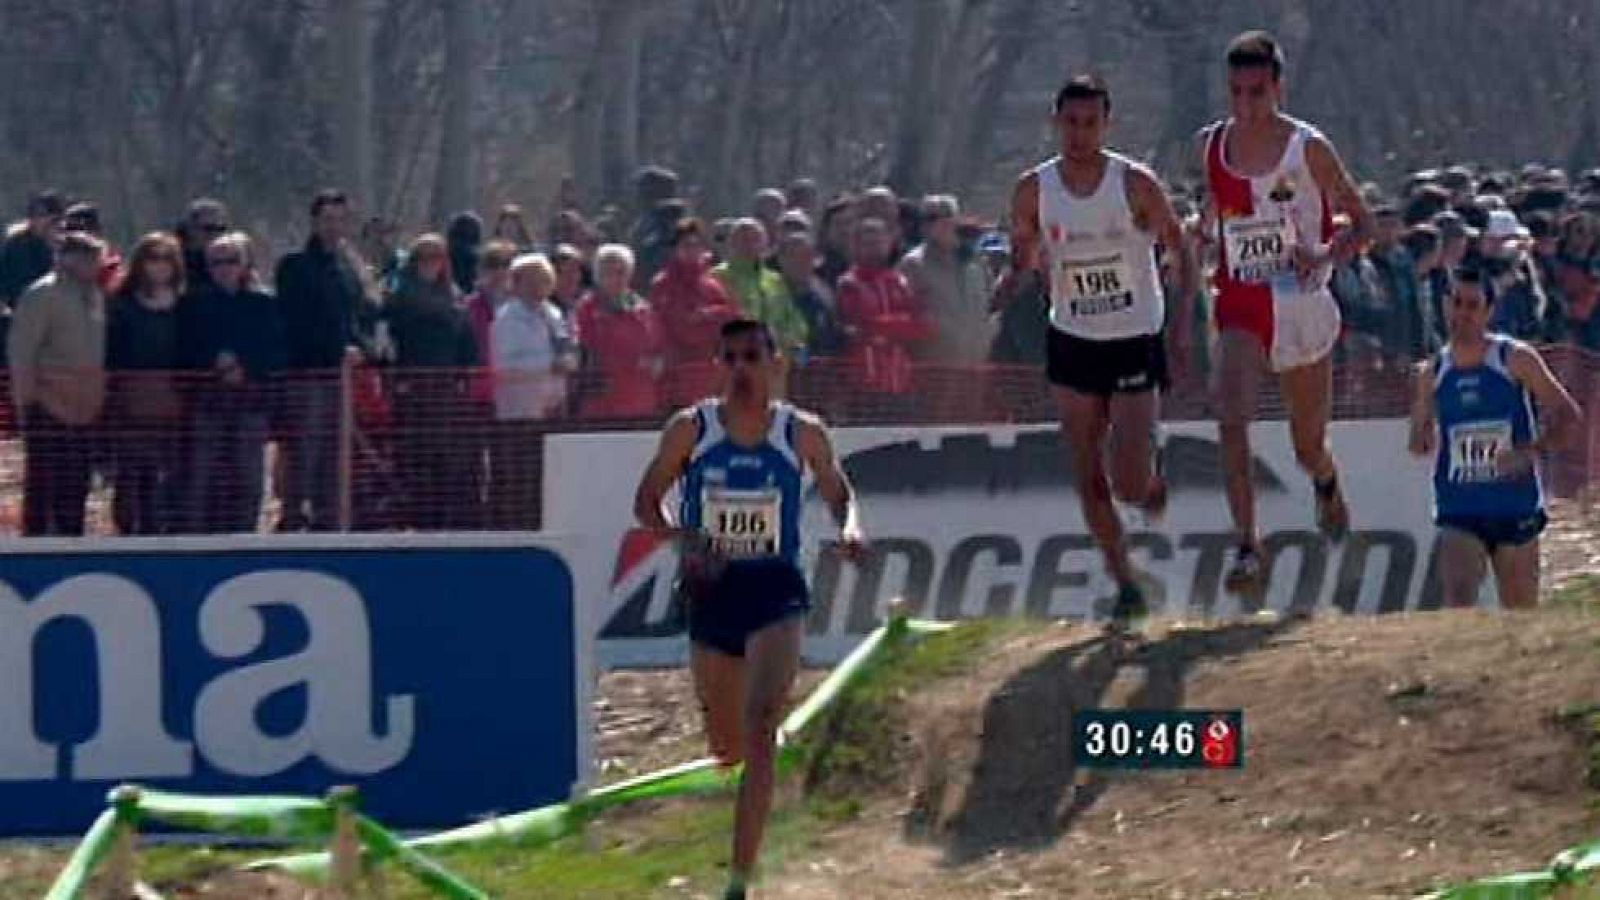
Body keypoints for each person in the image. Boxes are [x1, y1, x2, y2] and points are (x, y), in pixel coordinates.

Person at [631, 317, 865, 900]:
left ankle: (740, 881)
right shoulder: (692, 429)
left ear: (775, 363)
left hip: (774, 587)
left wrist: (854, 530)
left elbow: (840, 495)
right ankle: (758, 760)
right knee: (726, 748)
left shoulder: (801, 432)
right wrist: (685, 539)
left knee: (760, 727)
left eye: (751, 358)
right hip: (713, 592)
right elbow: (645, 501)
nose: (741, 370)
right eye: (730, 359)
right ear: (719, 366)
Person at [1005, 74, 1196, 619]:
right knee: (1087, 470)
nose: (1080, 134)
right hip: (1072, 337)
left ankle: (1151, 481)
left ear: (1106, 124)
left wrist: (1183, 324)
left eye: (1090, 123)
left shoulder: (1133, 183)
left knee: (1129, 481)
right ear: (1056, 122)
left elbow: (1179, 246)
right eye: (1071, 122)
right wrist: (1011, 277)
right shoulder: (1034, 189)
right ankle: (1125, 583)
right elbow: (1023, 245)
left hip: (1135, 335)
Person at [1197, 31, 1371, 591]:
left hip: (1300, 306)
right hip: (1241, 302)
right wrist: (1200, 238)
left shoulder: (1308, 147)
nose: (1245, 106)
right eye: (1236, 93)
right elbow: (1211, 212)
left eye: (1256, 93)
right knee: (1230, 414)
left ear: (1279, 88)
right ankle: (1248, 546)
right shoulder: (1210, 146)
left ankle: (1325, 481)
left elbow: (1360, 221)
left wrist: (1322, 251)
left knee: (1306, 445)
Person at [1407, 267, 1579, 608]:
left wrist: (1530, 451)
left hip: (1514, 504)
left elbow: (1569, 416)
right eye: (1457, 303)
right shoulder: (1432, 371)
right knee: (1458, 597)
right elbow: (1417, 441)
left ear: (1488, 312)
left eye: (1473, 305)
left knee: (1520, 615)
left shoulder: (1514, 359)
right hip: (1460, 505)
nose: (1463, 314)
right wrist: (1422, 435)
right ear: (1445, 307)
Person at [275, 188, 371, 531]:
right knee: (305, 450)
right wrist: (334, 350)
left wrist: (365, 348)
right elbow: (296, 322)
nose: (334, 227)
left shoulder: (348, 269)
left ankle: (329, 520)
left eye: (341, 220)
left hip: (341, 379)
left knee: (336, 452)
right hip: (307, 376)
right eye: (327, 219)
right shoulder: (295, 267)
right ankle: (292, 518)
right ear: (315, 222)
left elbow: (355, 319)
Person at [180, 232, 287, 533]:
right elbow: (183, 350)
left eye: (231, 260)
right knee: (201, 478)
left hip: (251, 403)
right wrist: (213, 363)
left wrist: (245, 366)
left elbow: (276, 351)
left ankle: (243, 538)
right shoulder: (192, 304)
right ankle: (196, 539)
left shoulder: (263, 304)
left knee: (247, 478)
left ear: (245, 264)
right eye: (216, 262)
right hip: (206, 404)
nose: (224, 267)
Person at [7, 232, 107, 535]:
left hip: (84, 410)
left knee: (76, 486)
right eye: (86, 257)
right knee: (44, 487)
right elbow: (22, 353)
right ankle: (38, 546)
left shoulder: (95, 296)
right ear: (65, 258)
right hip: (48, 407)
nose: (94, 264)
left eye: (96, 257)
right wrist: (26, 403)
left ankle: (72, 543)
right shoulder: (42, 295)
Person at [107, 232, 188, 534]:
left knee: (165, 475)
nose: (160, 266)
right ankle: (128, 532)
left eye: (167, 258)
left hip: (174, 404)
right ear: (140, 262)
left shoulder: (184, 305)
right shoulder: (122, 305)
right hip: (131, 403)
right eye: (153, 258)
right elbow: (113, 353)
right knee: (131, 474)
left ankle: (161, 532)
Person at [491, 254, 578, 529]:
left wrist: (569, 360)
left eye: (544, 280)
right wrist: (547, 365)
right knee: (519, 477)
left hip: (551, 409)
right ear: (517, 284)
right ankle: (516, 528)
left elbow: (567, 343)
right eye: (532, 280)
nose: (539, 286)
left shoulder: (554, 314)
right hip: (519, 412)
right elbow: (504, 366)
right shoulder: (507, 319)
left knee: (547, 477)